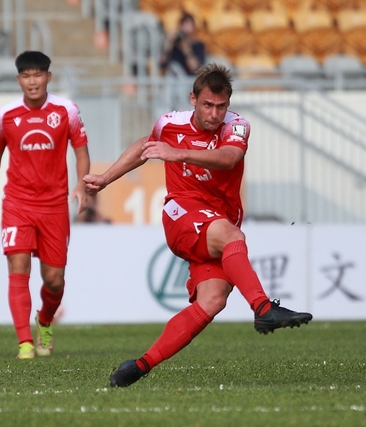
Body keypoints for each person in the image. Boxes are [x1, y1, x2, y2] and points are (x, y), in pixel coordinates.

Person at [83, 63, 312, 388]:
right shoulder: (169, 123)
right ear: (193, 99)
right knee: (232, 236)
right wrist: (106, 178)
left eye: (221, 106)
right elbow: (145, 147)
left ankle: (138, 366)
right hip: (183, 214)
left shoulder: (237, 127)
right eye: (207, 105)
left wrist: (178, 153)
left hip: (217, 222)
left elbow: (229, 158)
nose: (214, 113)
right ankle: (264, 309)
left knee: (213, 300)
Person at [0, 51, 90, 359]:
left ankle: (44, 320)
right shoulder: (5, 115)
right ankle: (24, 343)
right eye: (26, 75)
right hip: (17, 203)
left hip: (54, 206)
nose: (32, 81)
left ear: (48, 77)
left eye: (37, 75)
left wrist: (81, 184)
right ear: (18, 79)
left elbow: (81, 150)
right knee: (18, 267)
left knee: (54, 281)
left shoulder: (66, 110)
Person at [160, 12, 206, 76]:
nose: (185, 28)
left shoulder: (198, 45)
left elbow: (195, 68)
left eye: (189, 25)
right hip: (172, 78)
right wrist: (168, 43)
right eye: (183, 25)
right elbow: (162, 62)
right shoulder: (174, 45)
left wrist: (187, 50)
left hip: (188, 79)